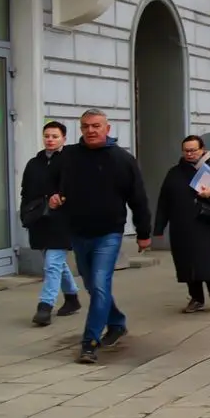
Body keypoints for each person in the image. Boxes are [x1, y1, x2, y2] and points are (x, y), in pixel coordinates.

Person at [47, 109, 151, 365]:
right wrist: (54, 195)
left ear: (107, 128)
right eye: (85, 126)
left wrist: (143, 233)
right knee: (93, 286)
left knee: (101, 284)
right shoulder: (69, 156)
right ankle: (116, 322)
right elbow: (51, 182)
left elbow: (138, 199)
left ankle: (89, 343)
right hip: (79, 231)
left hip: (108, 233)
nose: (91, 130)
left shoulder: (123, 160)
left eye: (96, 126)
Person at [155, 135, 210, 313]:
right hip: (181, 226)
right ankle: (196, 298)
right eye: (186, 151)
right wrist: (159, 227)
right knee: (187, 263)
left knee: (207, 262)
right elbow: (164, 201)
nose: (190, 154)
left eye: (193, 150)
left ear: (202, 150)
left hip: (206, 224)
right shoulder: (174, 173)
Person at [19, 121, 82, 327]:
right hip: (39, 219)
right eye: (47, 135)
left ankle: (44, 307)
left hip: (62, 219)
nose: (50, 140)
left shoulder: (70, 161)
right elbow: (25, 191)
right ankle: (72, 298)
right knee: (56, 263)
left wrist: (63, 197)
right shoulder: (33, 163)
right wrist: (25, 213)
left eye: (55, 136)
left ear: (64, 138)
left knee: (52, 264)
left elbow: (76, 188)